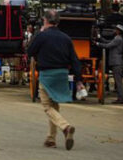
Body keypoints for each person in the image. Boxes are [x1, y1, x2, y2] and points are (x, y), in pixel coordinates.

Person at [27, 11, 82, 149]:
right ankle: (51, 139)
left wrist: (38, 34)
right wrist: (79, 80)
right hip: (62, 74)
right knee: (54, 106)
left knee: (47, 106)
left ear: (45, 20)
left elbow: (30, 51)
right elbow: (75, 60)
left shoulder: (42, 35)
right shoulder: (66, 38)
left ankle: (65, 127)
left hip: (47, 74)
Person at [95, 25, 123, 104]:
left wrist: (98, 44)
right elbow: (108, 42)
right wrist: (99, 37)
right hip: (116, 62)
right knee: (118, 81)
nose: (114, 30)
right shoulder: (117, 38)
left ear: (118, 31)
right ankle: (120, 98)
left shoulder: (118, 39)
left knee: (118, 81)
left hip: (116, 62)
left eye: (116, 29)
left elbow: (108, 45)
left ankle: (121, 98)